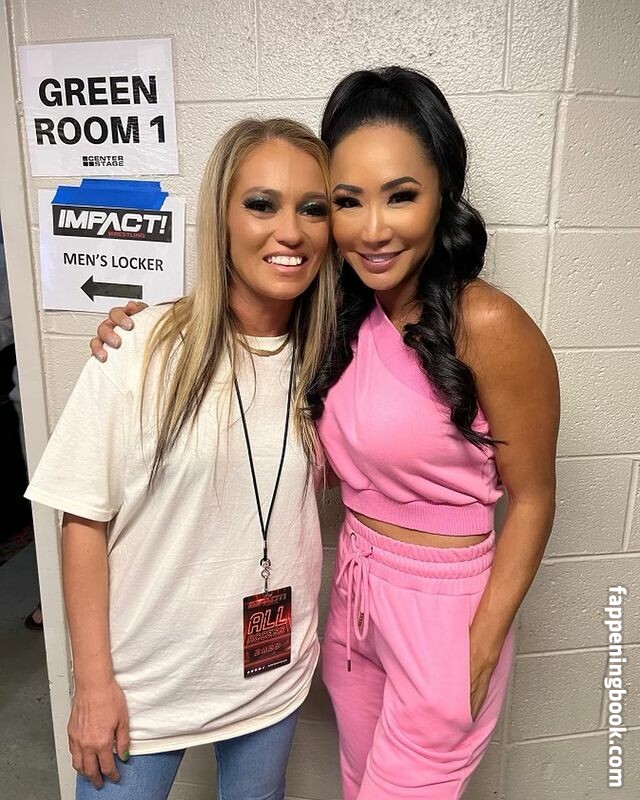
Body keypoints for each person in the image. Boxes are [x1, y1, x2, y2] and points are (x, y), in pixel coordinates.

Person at [91, 67, 560, 799]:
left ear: (443, 196)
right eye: (347, 201)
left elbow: (533, 499)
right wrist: (147, 330)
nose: (373, 229)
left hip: (445, 614)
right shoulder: (339, 321)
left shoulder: (488, 323)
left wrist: (480, 645)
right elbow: (243, 331)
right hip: (353, 602)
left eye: (401, 195)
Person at [25, 117, 336, 800]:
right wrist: (92, 684)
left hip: (270, 675)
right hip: (142, 692)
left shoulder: (330, 364)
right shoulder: (140, 347)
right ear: (221, 219)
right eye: (262, 204)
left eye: (313, 208)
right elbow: (82, 521)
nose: (291, 231)